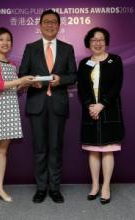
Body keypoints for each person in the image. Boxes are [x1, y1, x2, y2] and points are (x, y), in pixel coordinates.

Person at [19, 9, 77, 203]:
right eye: (46, 22)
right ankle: (41, 188)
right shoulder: (30, 47)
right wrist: (30, 81)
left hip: (58, 105)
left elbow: (73, 75)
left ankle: (54, 188)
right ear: (40, 25)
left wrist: (61, 80)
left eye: (54, 22)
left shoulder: (67, 48)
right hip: (37, 104)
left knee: (55, 148)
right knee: (40, 148)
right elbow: (22, 74)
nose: (50, 25)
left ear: (59, 26)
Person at [0, 27, 34, 206]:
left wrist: (26, 84)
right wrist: (20, 80)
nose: (5, 43)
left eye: (8, 40)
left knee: (3, 151)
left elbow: (12, 88)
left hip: (10, 109)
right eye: (1, 39)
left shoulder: (12, 65)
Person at [77, 27, 124, 204]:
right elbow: (81, 88)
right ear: (88, 43)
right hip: (90, 112)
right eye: (94, 40)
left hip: (109, 110)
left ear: (106, 42)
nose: (98, 43)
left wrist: (101, 104)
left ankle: (106, 186)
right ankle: (95, 185)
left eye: (101, 39)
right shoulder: (83, 63)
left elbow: (116, 86)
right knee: (94, 151)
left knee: (108, 150)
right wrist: (91, 106)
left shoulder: (115, 60)